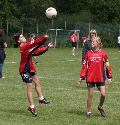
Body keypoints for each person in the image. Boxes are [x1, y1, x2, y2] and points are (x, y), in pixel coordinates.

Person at [14, 33, 53, 116]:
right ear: (18, 40)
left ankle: (41, 99)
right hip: (24, 70)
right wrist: (44, 37)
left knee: (37, 82)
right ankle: (31, 107)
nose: (24, 37)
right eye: (21, 37)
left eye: (23, 35)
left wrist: (47, 47)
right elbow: (36, 44)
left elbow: (36, 52)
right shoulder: (23, 46)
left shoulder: (26, 45)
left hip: (30, 68)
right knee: (30, 87)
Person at [78, 36, 112, 117]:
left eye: (93, 42)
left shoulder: (103, 53)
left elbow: (107, 66)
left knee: (103, 94)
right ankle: (89, 112)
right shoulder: (88, 53)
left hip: (100, 77)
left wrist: (109, 77)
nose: (91, 43)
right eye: (91, 42)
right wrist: (81, 77)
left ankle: (100, 107)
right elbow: (85, 66)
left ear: (98, 43)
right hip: (90, 77)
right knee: (90, 94)